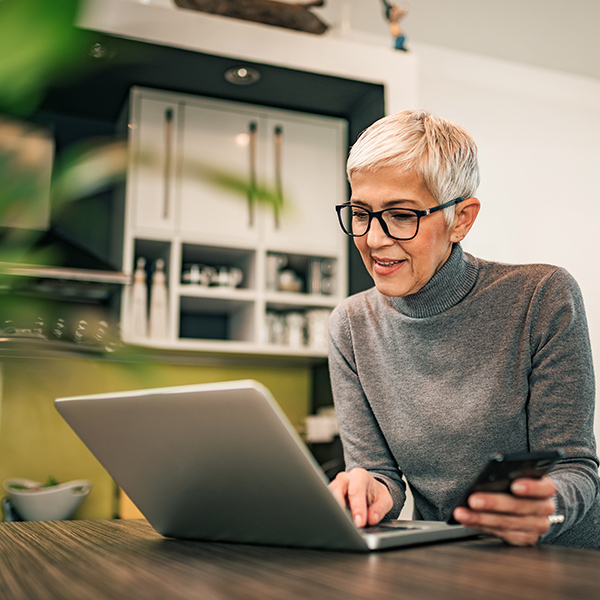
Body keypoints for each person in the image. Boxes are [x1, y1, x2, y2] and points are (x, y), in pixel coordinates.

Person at [327, 109, 600, 549]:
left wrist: (547, 507)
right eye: (361, 212)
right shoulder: (351, 326)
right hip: (448, 561)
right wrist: (368, 492)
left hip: (562, 561)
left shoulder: (542, 296)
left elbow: (575, 467)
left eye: (400, 215)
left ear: (462, 219)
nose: (374, 239)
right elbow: (381, 478)